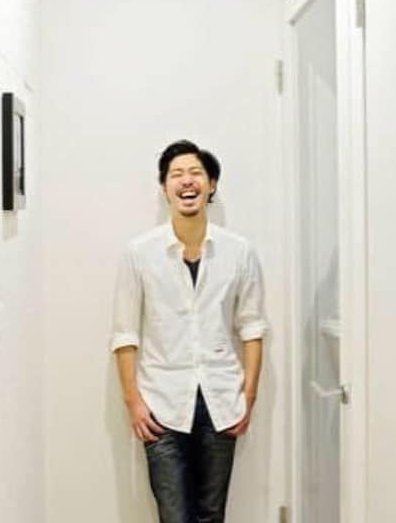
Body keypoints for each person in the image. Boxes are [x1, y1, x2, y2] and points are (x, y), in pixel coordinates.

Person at [111, 139, 267, 523]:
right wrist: (133, 401)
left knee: (212, 514)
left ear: (212, 184)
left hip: (221, 401)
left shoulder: (239, 251)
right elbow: (125, 333)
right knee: (174, 515)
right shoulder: (139, 253)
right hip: (160, 403)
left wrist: (248, 396)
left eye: (196, 173)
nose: (187, 181)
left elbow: (251, 327)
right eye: (176, 174)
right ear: (164, 188)